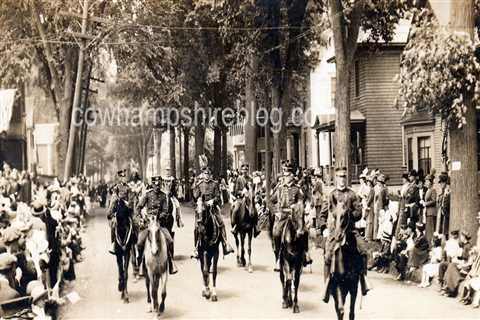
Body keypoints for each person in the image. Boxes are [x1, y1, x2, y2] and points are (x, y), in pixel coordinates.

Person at [322, 167, 370, 296]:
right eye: (339, 177)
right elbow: (323, 213)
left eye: (343, 177)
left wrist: (350, 214)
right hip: (335, 232)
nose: (341, 180)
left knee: (363, 250)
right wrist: (324, 228)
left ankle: (363, 280)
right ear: (336, 178)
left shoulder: (352, 194)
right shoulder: (331, 195)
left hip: (350, 230)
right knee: (327, 255)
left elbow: (359, 212)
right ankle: (326, 286)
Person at [271, 162, 312, 270]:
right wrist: (276, 212)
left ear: (292, 176)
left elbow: (301, 201)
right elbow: (270, 201)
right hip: (283, 215)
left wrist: (299, 206)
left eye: (288, 174)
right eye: (285, 174)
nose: (286, 176)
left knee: (304, 231)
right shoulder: (279, 188)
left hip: (294, 216)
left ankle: (306, 253)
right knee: (276, 233)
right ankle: (278, 257)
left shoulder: (297, 189)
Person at [136, 175, 178, 275]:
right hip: (148, 224)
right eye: (155, 185)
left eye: (158, 185)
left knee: (170, 240)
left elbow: (166, 211)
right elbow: (138, 207)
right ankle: (141, 263)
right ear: (152, 185)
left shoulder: (164, 196)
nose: (157, 187)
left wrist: (159, 217)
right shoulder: (147, 194)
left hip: (159, 223)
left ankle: (171, 262)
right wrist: (141, 218)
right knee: (140, 242)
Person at [192, 166, 234, 258]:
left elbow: (218, 197)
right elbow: (195, 197)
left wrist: (213, 201)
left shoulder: (214, 184)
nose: (206, 176)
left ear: (210, 175)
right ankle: (195, 248)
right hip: (202, 208)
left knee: (221, 223)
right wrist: (195, 186)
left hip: (213, 207)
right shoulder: (199, 184)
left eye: (208, 174)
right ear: (203, 174)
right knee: (196, 227)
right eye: (205, 174)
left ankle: (225, 244)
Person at [107, 170, 132, 255]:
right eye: (122, 177)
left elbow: (131, 199)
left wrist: (128, 203)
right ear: (119, 178)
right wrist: (112, 212)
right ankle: (113, 244)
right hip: (118, 209)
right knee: (114, 225)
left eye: (124, 177)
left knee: (134, 224)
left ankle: (133, 244)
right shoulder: (116, 187)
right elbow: (113, 199)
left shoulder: (128, 188)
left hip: (127, 210)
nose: (123, 179)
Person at [422, 174, 437, 243]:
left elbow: (434, 201)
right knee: (428, 229)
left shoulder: (433, 190)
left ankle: (431, 243)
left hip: (431, 212)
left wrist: (426, 203)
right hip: (428, 212)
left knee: (431, 229)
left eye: (427, 181)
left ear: (430, 182)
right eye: (425, 181)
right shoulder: (428, 190)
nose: (426, 183)